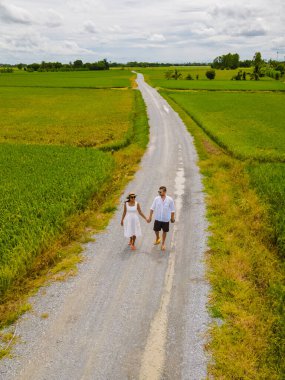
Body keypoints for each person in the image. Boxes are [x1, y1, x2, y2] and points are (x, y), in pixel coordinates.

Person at [148, 186, 175, 251]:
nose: (159, 193)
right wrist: (150, 217)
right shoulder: (156, 199)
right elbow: (152, 208)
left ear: (165, 192)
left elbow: (172, 210)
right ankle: (157, 238)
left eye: (160, 191)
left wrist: (172, 218)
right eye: (159, 191)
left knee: (164, 231)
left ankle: (163, 243)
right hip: (158, 218)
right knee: (156, 230)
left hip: (166, 219)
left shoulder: (170, 200)